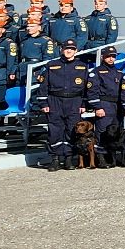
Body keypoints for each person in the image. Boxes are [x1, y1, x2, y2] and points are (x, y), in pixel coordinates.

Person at [40, 40, 94, 170]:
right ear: (61, 50)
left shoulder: (82, 66)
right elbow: (44, 85)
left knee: (72, 131)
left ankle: (69, 159)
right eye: (66, 48)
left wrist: (84, 103)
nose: (69, 51)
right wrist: (43, 102)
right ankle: (55, 159)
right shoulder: (51, 65)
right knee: (55, 131)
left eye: (72, 49)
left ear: (76, 51)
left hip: (74, 102)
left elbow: (87, 87)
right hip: (55, 100)